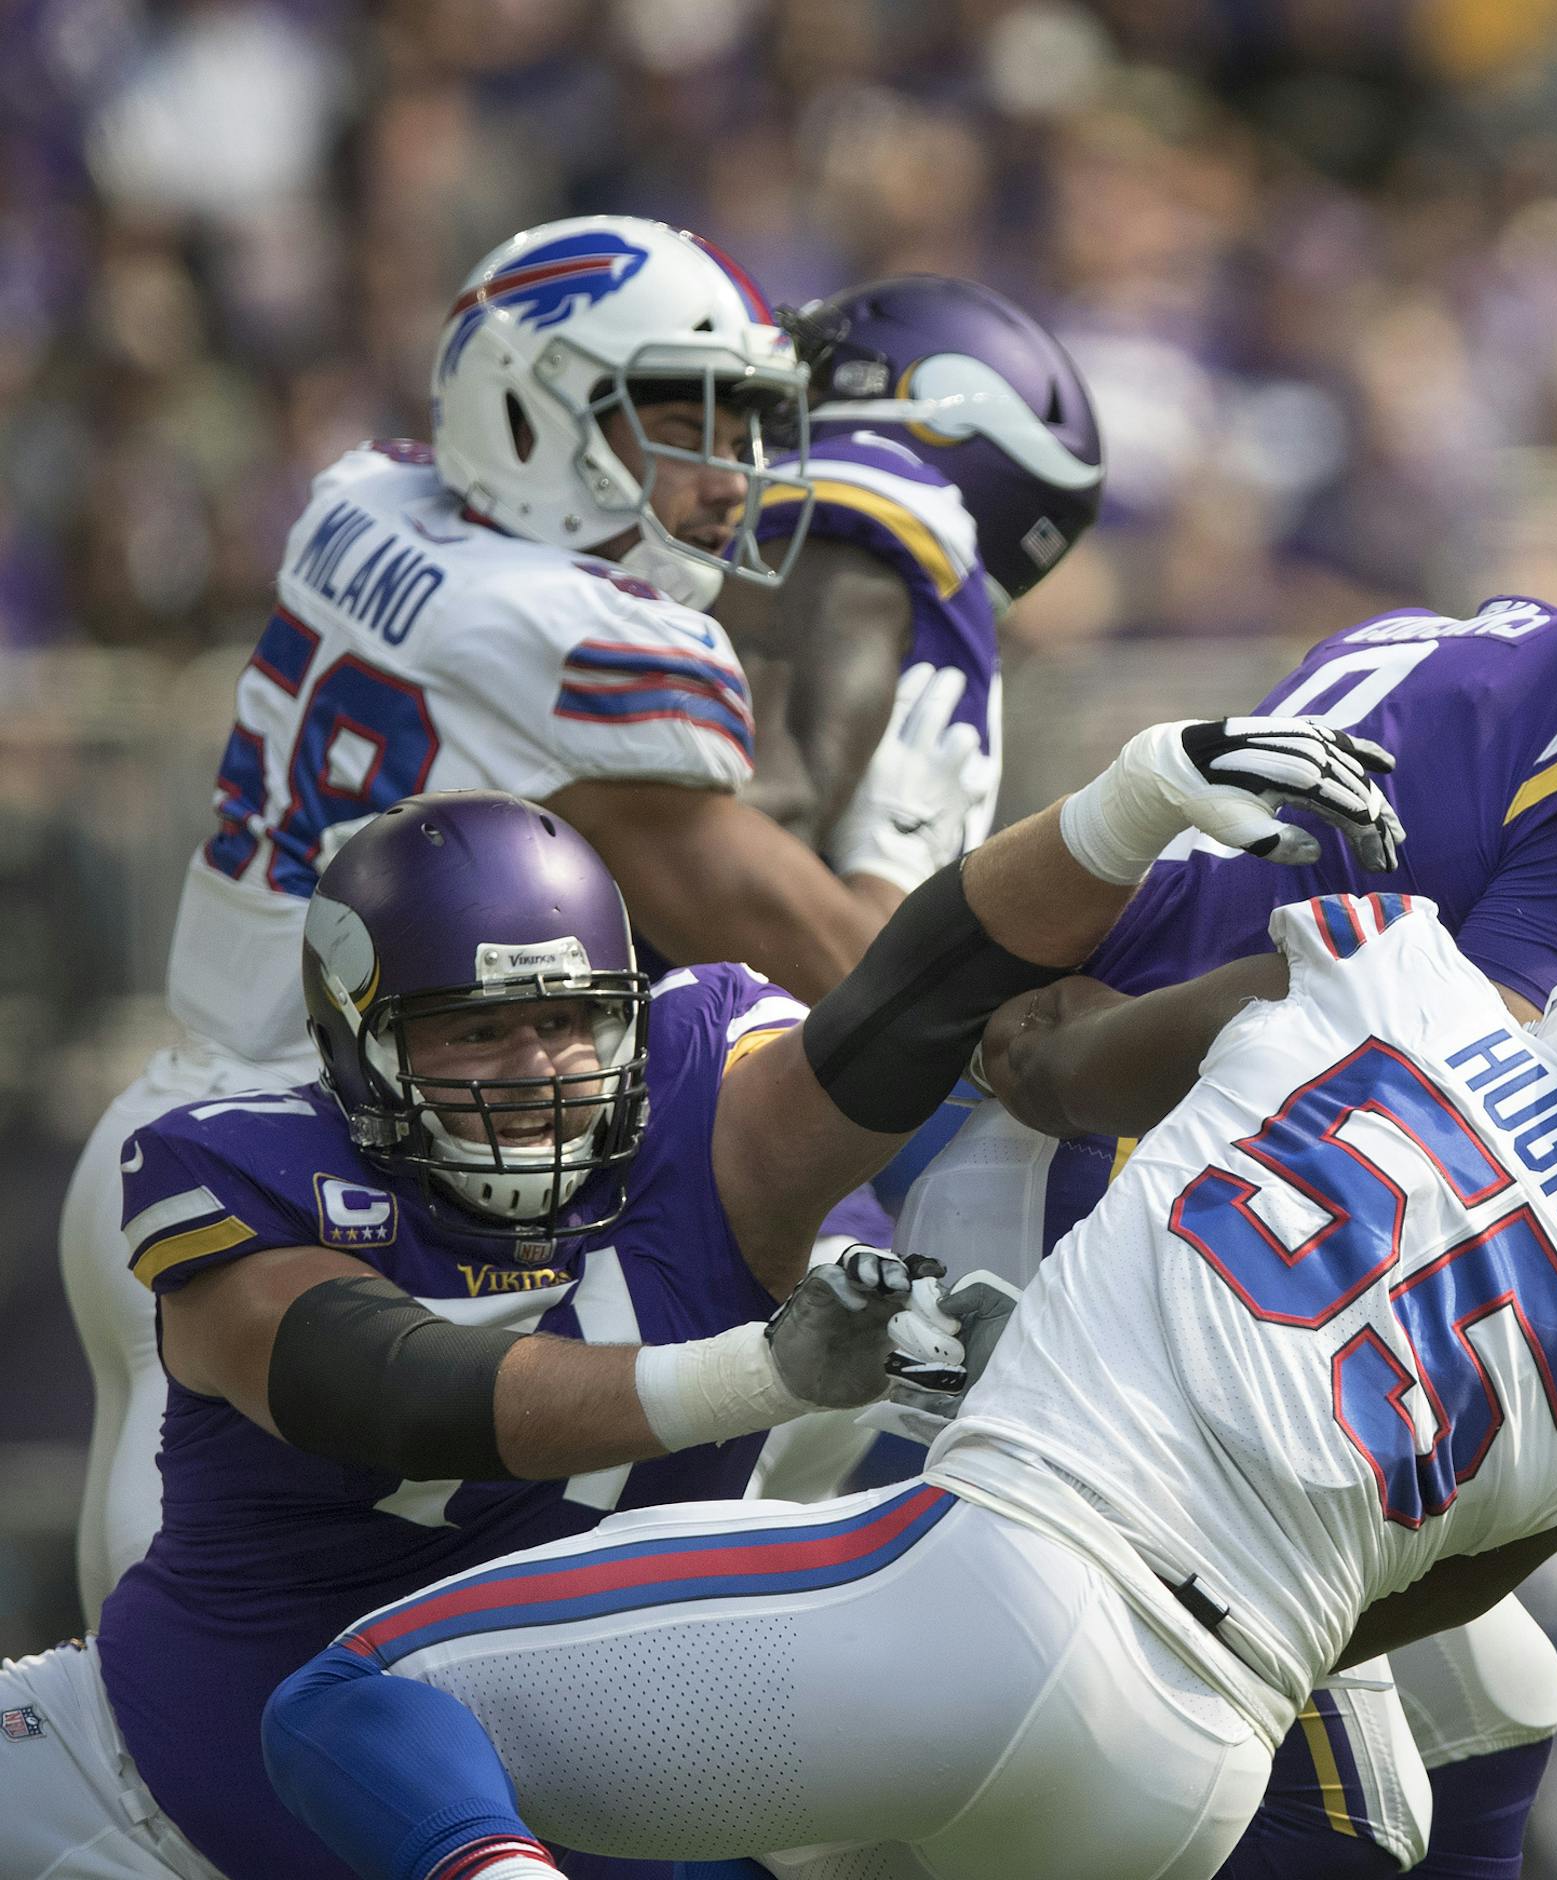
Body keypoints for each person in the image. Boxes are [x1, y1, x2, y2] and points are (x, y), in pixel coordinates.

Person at [0, 720, 1400, 1879]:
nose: (540, 1066)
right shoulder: (243, 1167)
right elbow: (390, 1388)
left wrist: (1127, 798)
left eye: (569, 1019)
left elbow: (913, 997)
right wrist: (767, 1375)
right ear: (363, 1041)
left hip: (575, 1832)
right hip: (152, 1815)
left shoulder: (701, 1110)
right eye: (477, 1032)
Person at [258, 884, 1557, 1880]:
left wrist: (1045, 1050)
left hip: (995, 1588)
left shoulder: (1398, 971)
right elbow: (1413, 1605)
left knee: (359, 1706)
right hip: (1185, 1775)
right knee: (757, 1863)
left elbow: (1077, 1072)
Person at [874, 471, 1557, 1875]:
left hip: (1115, 1144)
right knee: (1301, 1785)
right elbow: (1448, 1086)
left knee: (1498, 1708)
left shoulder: (1457, 644)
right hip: (1105, 1182)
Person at [58, 218, 1015, 1623]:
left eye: (739, 421)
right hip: (316, 1206)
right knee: (207, 1716)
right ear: (527, 407)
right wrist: (908, 842)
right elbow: (854, 974)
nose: (724, 473)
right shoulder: (585, 648)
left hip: (187, 1127)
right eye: (677, 423)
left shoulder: (373, 501)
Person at [724, 273, 1104, 862]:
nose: (763, 414)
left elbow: (756, 843)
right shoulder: (939, 600)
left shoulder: (863, 514)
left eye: (813, 379)